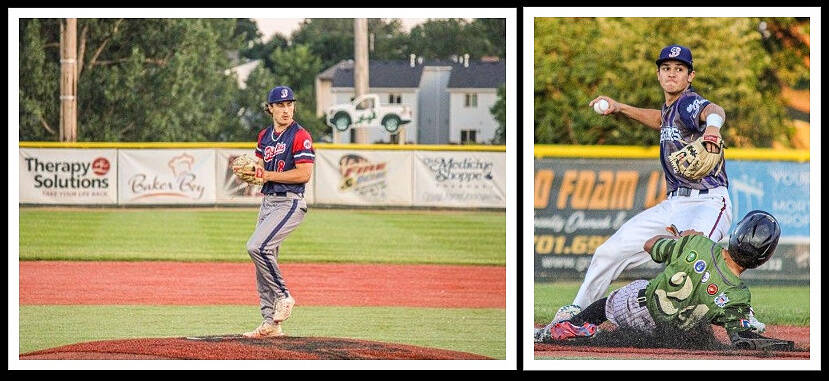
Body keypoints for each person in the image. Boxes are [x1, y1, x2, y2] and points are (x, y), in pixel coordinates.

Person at [543, 44, 766, 333]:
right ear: (659, 74)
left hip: (707, 202)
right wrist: (620, 107)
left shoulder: (688, 103)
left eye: (679, 69)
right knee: (609, 252)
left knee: (698, 261)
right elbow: (659, 120)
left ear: (690, 76)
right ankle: (577, 319)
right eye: (666, 68)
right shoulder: (671, 110)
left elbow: (714, 109)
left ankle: (743, 315)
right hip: (673, 204)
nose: (672, 73)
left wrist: (713, 127)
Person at [536, 211, 790, 351]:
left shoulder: (698, 244)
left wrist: (681, 241)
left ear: (736, 234)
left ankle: (573, 326)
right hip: (667, 334)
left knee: (608, 304)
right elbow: (740, 336)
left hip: (637, 308)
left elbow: (649, 245)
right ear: (763, 259)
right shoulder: (739, 296)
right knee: (700, 324)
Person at [235, 85, 315, 338]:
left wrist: (267, 175)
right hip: (268, 202)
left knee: (257, 247)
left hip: (289, 202)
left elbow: (304, 174)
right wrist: (251, 170)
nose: (286, 109)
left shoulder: (300, 135)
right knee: (263, 263)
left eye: (289, 104)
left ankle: (284, 296)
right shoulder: (264, 136)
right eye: (280, 105)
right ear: (270, 108)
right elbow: (260, 167)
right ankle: (270, 323)